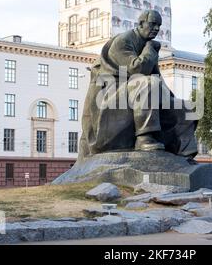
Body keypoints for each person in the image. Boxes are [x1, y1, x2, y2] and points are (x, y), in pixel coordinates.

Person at [78, 10, 198, 163]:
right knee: (147, 83)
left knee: (185, 106)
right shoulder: (123, 41)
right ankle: (144, 138)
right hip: (108, 100)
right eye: (153, 24)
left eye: (159, 26)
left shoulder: (148, 47)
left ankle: (184, 154)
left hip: (132, 94)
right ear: (141, 24)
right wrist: (149, 49)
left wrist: (173, 103)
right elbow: (138, 70)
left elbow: (158, 79)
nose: (156, 29)